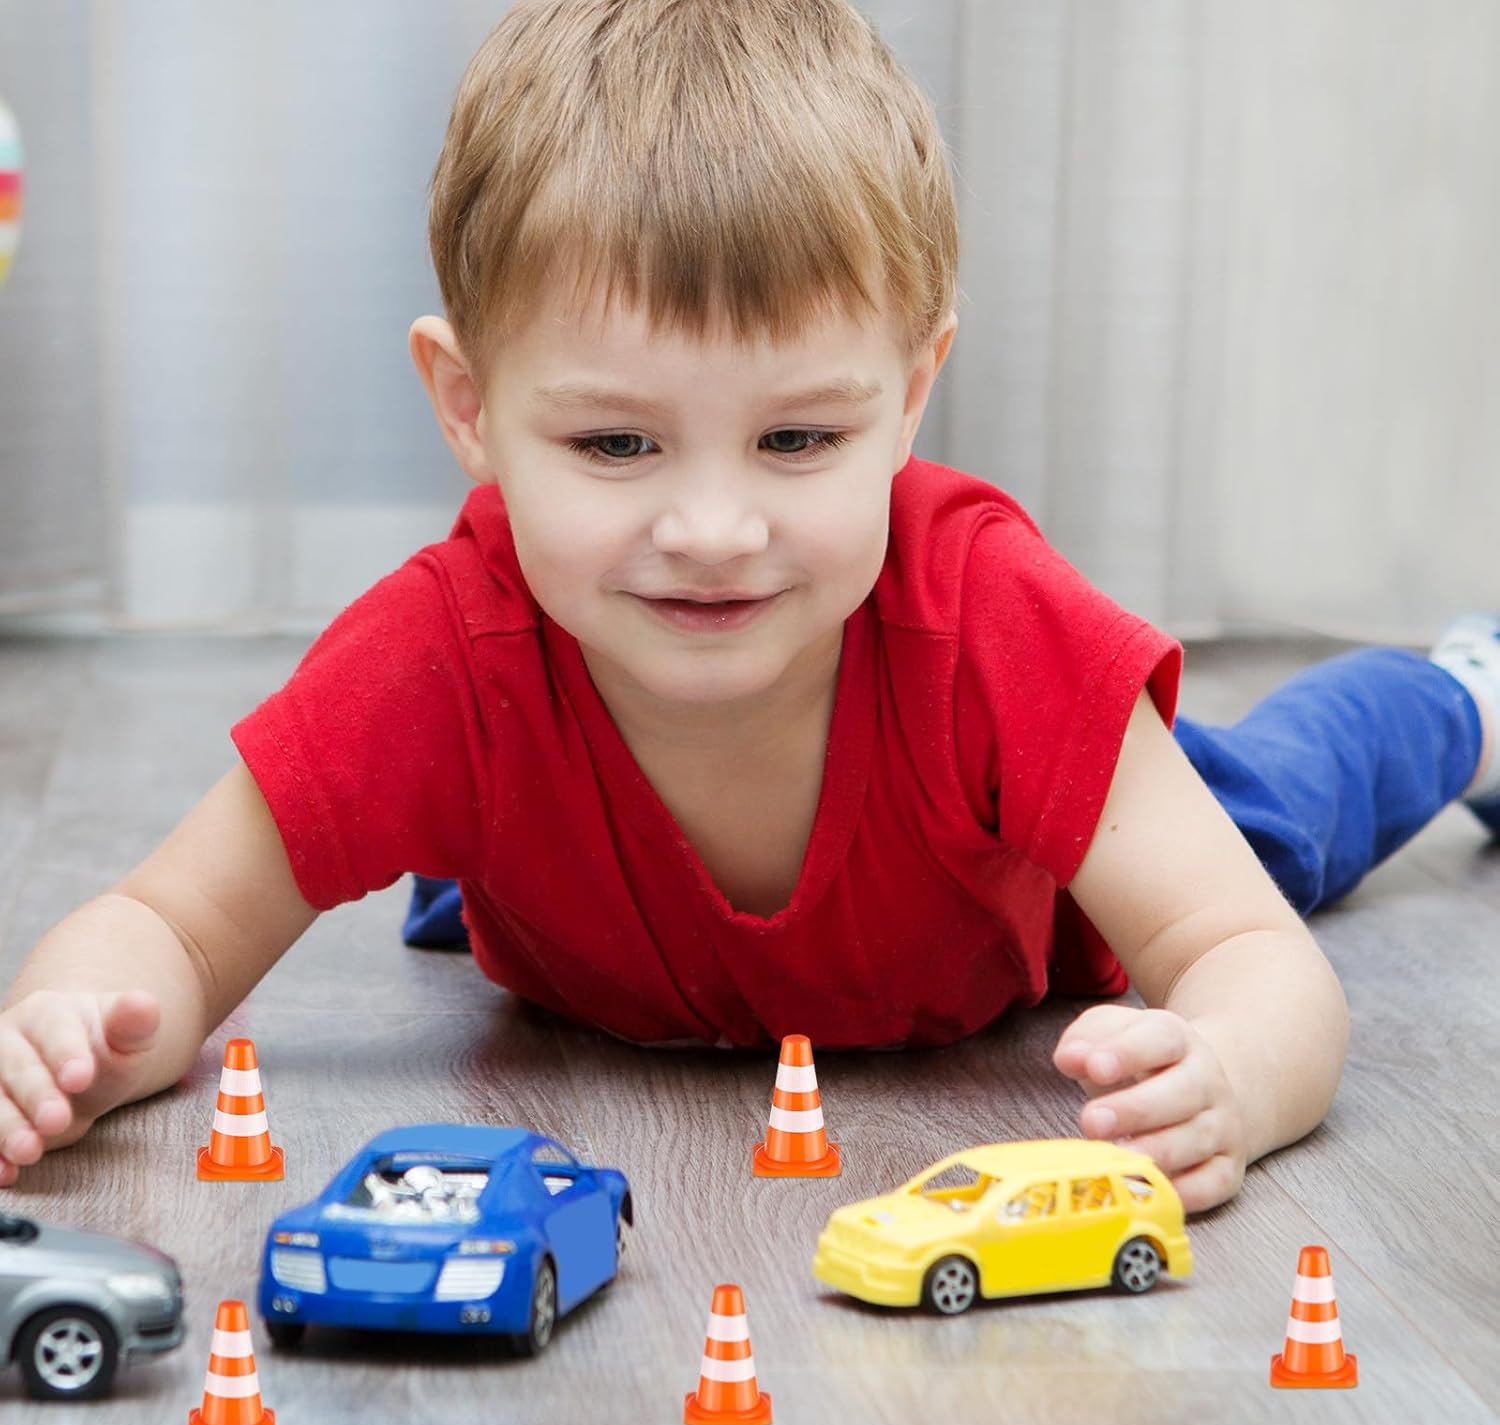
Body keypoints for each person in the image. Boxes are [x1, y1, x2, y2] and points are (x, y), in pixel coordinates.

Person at [1, 0, 1496, 1214]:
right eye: (615, 445)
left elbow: (1256, 965)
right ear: (467, 406)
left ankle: (1462, 695)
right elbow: (166, 927)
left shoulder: (993, 632)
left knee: (1285, 798)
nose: (712, 533)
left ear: (910, 397)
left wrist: (1230, 1071)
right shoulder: (444, 657)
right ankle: (503, 872)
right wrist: (72, 1034)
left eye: (796, 439)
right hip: (602, 874)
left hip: (1033, 904)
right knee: (459, 789)